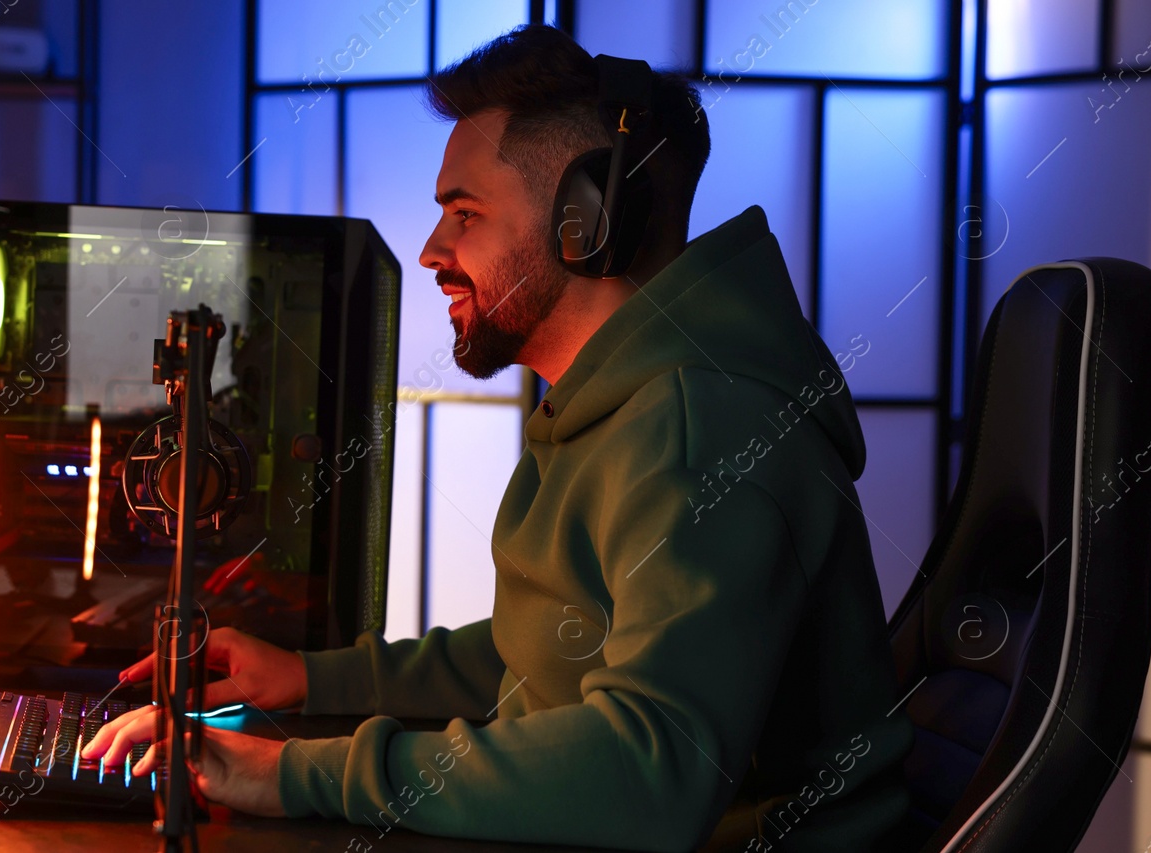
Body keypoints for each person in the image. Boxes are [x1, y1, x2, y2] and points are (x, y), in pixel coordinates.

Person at [84, 24, 911, 852]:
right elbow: (545, 658)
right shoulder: (621, 400)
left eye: (464, 213)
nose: (431, 250)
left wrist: (296, 770)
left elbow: (650, 767)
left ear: (586, 222)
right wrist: (310, 677)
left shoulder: (704, 423)